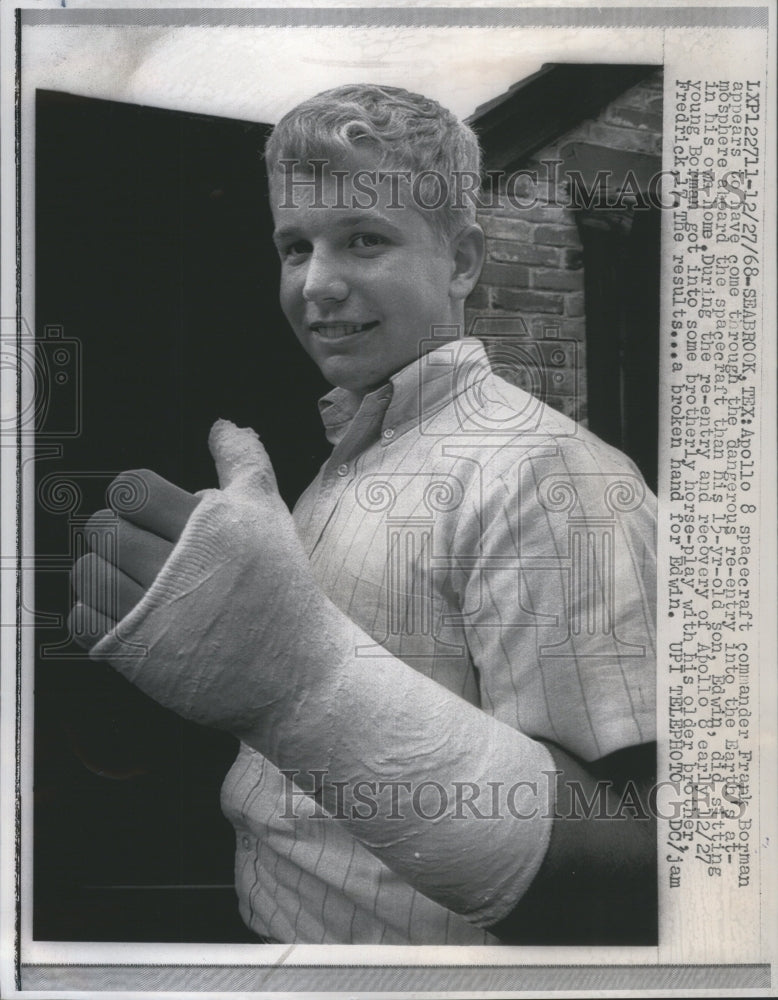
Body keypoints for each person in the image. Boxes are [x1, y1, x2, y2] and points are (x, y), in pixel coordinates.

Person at [70, 84, 657, 945]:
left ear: (461, 260)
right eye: (293, 246)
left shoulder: (553, 477)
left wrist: (301, 686)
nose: (317, 283)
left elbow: (642, 871)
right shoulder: (343, 465)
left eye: (364, 241)